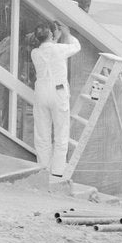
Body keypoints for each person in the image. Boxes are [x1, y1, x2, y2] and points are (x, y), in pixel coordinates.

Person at [29, 20, 81, 178]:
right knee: (61, 133)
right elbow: (76, 47)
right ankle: (58, 172)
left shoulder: (35, 53)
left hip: (41, 93)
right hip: (58, 93)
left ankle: (43, 170)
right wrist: (67, 34)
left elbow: (48, 48)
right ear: (51, 35)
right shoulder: (59, 50)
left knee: (42, 133)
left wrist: (54, 37)